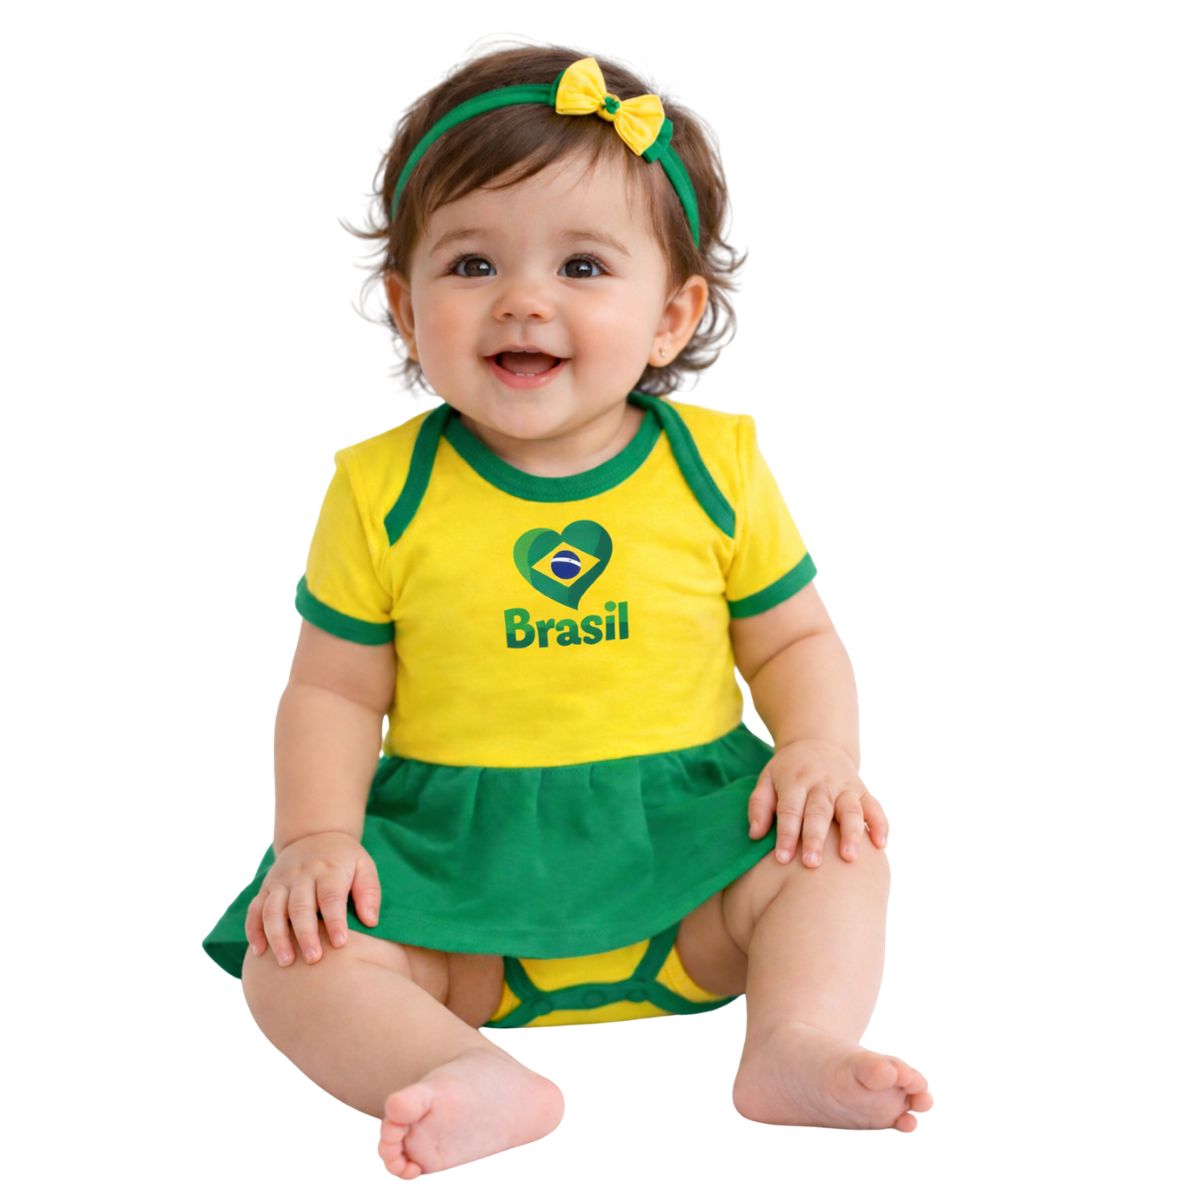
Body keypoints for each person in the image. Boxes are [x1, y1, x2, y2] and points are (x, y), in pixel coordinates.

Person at [200, 43, 932, 1179]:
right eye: (472, 263)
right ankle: (459, 1068)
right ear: (404, 308)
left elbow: (793, 637)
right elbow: (334, 689)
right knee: (288, 953)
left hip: (693, 875)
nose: (523, 299)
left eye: (583, 266)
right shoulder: (381, 491)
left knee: (840, 850)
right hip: (458, 905)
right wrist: (317, 841)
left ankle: (794, 1039)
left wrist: (819, 753)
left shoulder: (715, 469)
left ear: (672, 315)